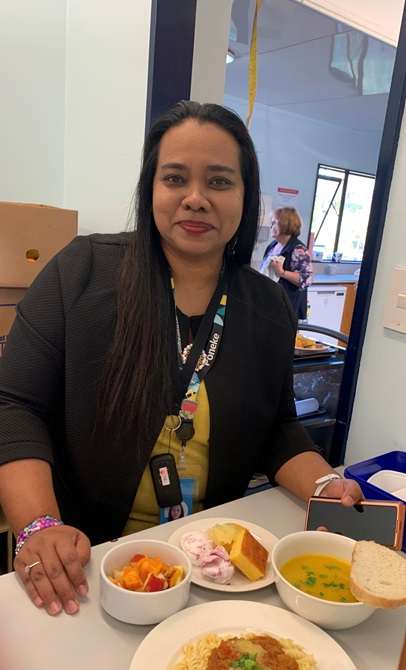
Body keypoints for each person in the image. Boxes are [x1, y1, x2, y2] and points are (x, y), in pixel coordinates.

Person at [0, 100, 362, 617]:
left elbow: (279, 429)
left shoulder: (267, 308)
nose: (195, 199)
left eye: (219, 181)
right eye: (175, 178)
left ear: (245, 196)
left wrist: (328, 487)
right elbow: (13, 404)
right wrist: (38, 525)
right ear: (151, 188)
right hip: (89, 565)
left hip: (215, 571)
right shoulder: (81, 273)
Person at [259, 207, 313, 319]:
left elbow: (306, 279)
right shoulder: (273, 246)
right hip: (270, 303)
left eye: (274, 223)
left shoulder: (298, 249)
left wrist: (282, 272)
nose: (271, 226)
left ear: (284, 224)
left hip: (288, 306)